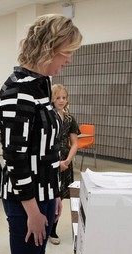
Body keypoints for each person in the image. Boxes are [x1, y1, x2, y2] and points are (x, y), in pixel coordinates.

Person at [0, 14, 82, 254]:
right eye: (66, 52)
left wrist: (55, 193)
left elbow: (45, 148)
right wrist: (33, 208)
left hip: (44, 192)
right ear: (48, 48)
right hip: (23, 199)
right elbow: (15, 156)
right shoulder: (17, 89)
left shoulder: (43, 84)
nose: (69, 59)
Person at [49, 84, 80, 245]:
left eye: (64, 97)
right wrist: (55, 162)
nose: (61, 101)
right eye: (58, 97)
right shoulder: (47, 116)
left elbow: (74, 143)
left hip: (65, 161)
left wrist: (68, 160)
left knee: (59, 195)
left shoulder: (69, 119)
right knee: (49, 194)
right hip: (50, 160)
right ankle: (45, 224)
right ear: (52, 98)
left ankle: (53, 229)